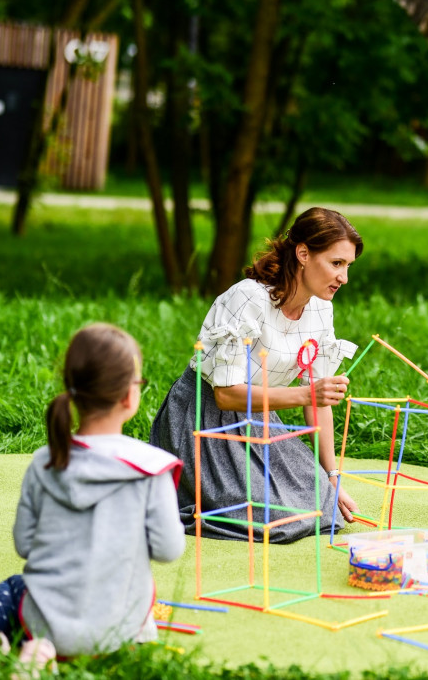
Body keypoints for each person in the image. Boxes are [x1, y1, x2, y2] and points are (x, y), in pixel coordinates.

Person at [0, 324, 185, 659]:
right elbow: (168, 550)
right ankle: (39, 655)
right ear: (128, 396)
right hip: (118, 635)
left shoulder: (44, 462)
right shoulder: (152, 468)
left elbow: (24, 545)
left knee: (14, 587)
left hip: (43, 624)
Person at [151, 207, 363, 543]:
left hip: (261, 418)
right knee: (274, 519)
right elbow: (227, 394)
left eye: (348, 266)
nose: (344, 278)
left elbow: (317, 399)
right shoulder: (247, 297)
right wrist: (307, 395)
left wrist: (332, 475)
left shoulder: (322, 309)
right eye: (336, 264)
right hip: (206, 419)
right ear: (304, 254)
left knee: (323, 504)